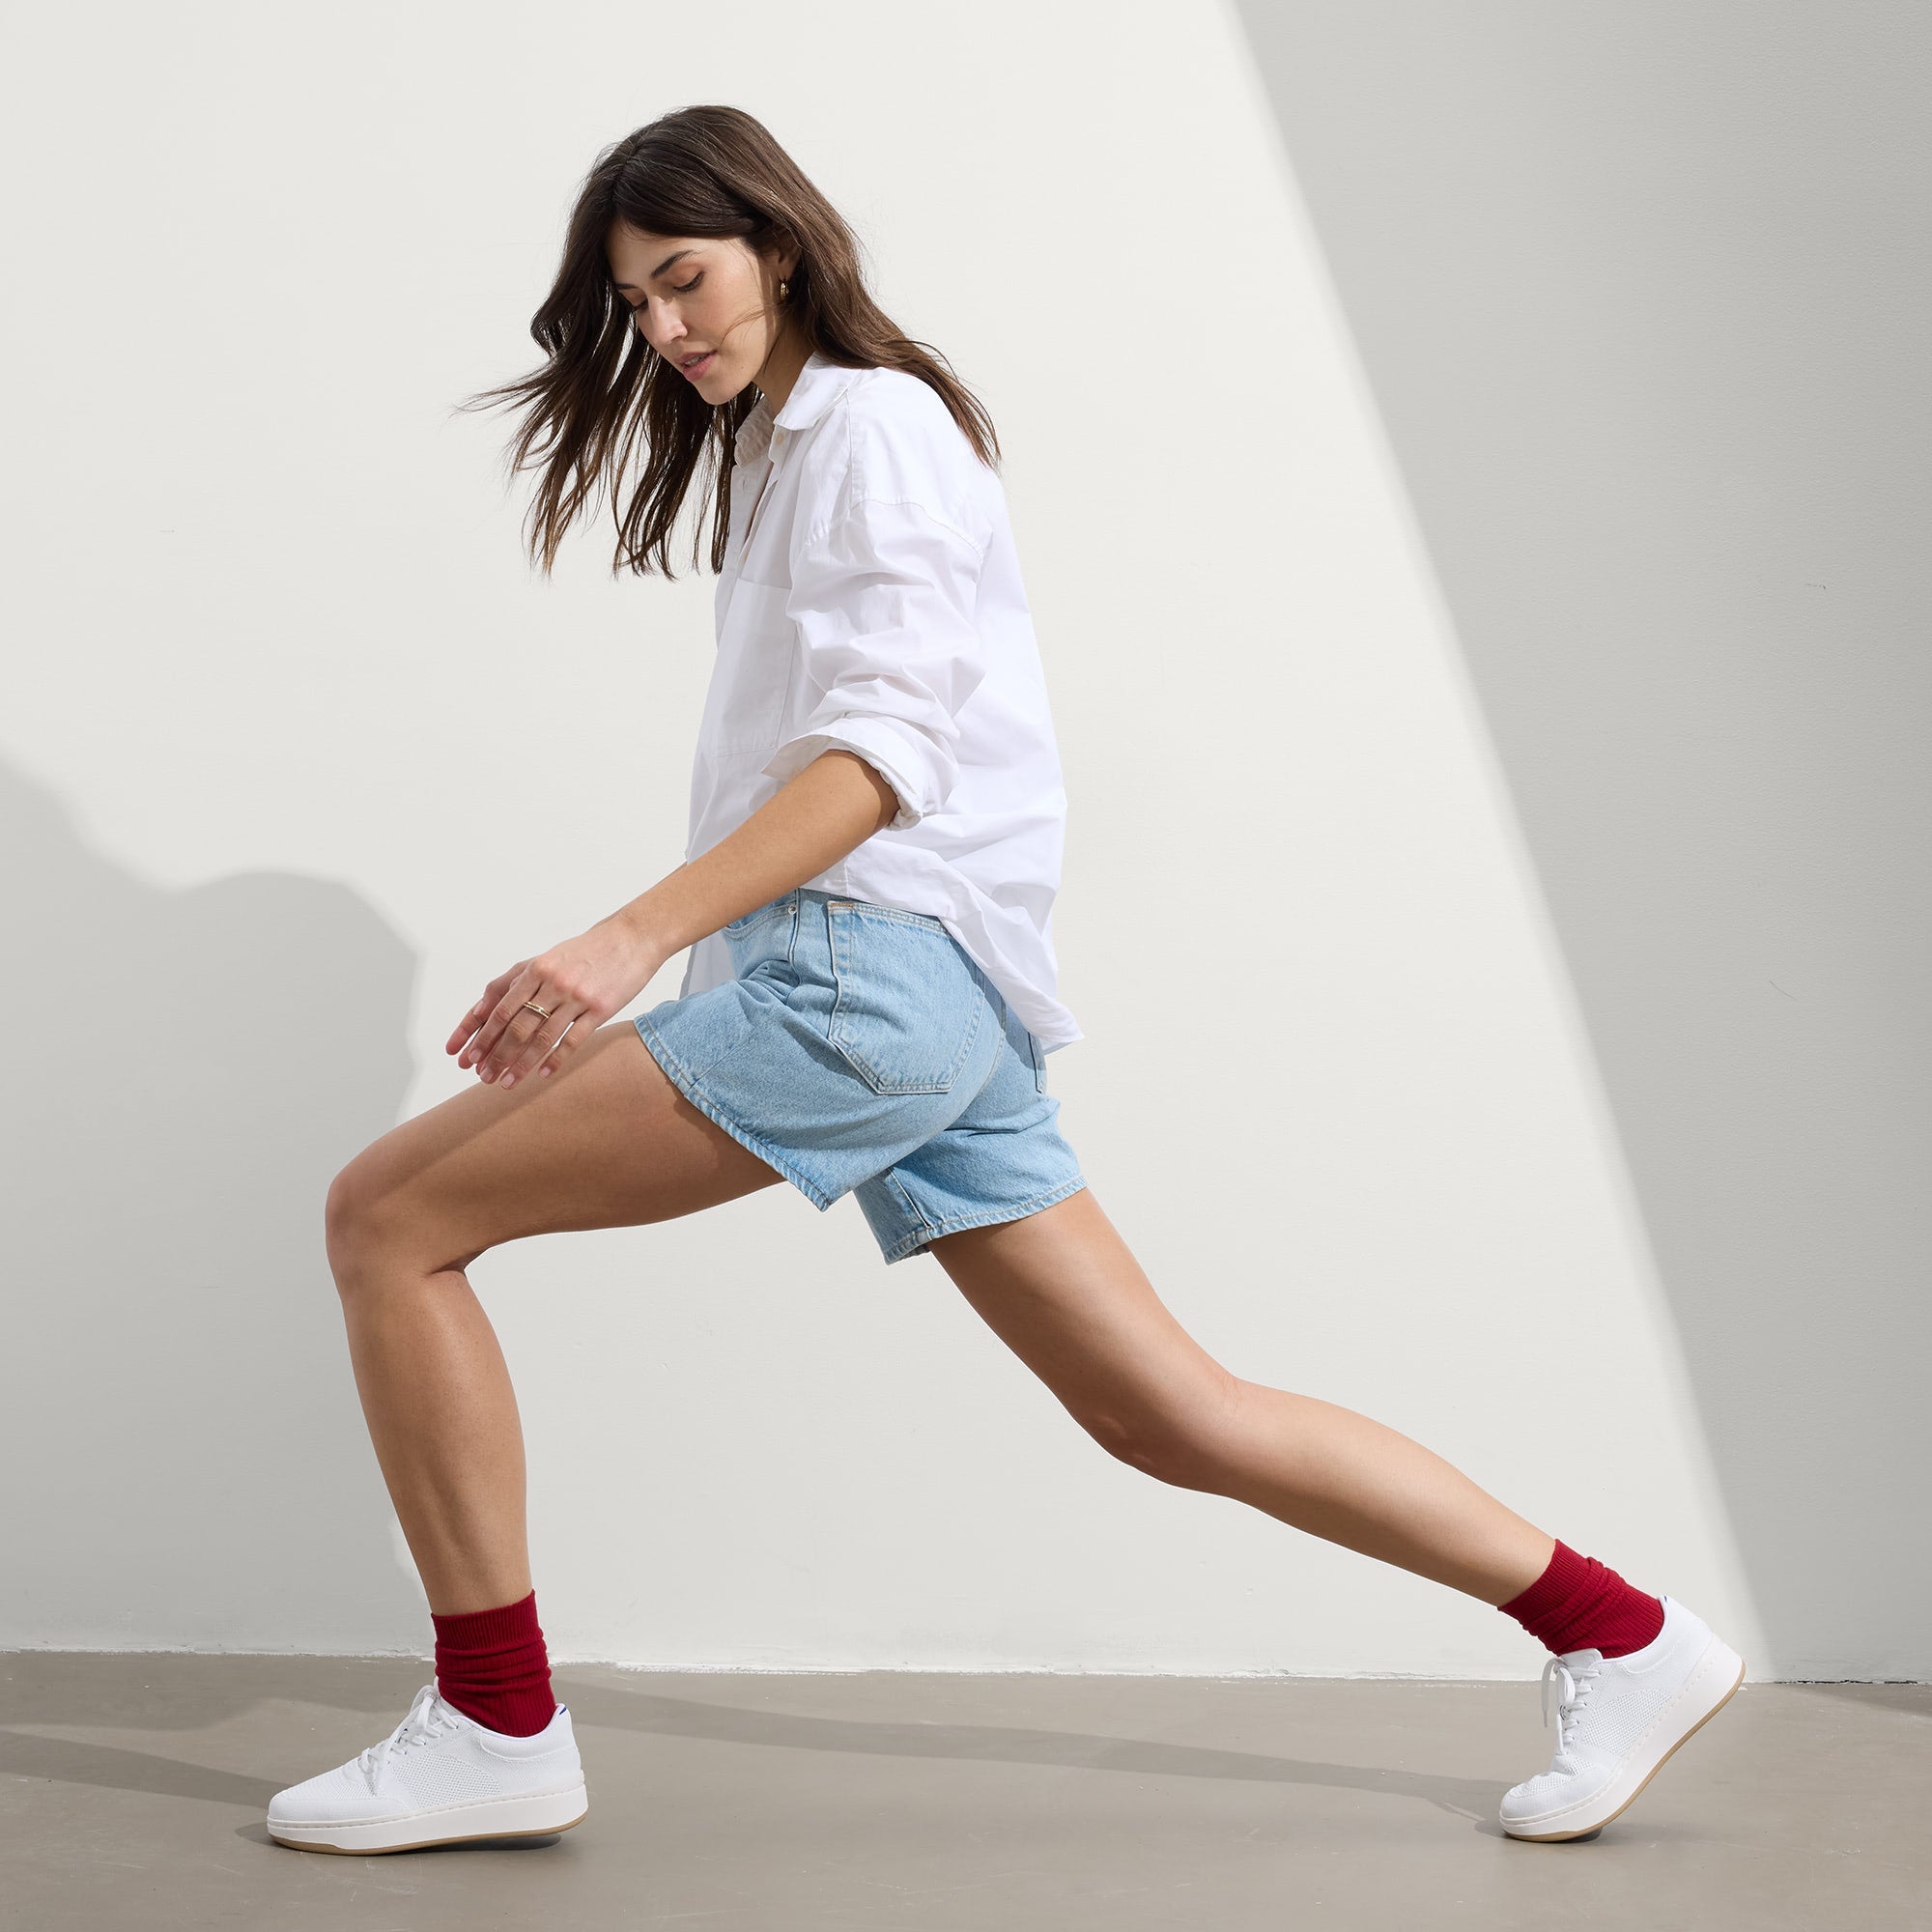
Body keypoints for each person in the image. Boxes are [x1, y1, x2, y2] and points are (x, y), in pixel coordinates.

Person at [266, 105, 1745, 1857]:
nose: (663, 327)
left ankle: (499, 1725)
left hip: (863, 984)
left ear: (779, 248)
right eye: (636, 303)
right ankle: (1621, 1633)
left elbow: (877, 762)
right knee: (1169, 1410)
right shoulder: (792, 444)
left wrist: (628, 936)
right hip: (937, 1002)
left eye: (686, 279)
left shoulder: (869, 428)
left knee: (387, 1222)